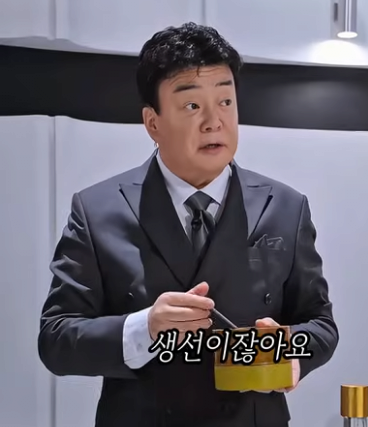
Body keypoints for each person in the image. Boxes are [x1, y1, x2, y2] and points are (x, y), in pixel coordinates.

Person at [38, 22, 338, 427]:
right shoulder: (96, 210)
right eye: (192, 105)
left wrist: (289, 351)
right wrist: (145, 328)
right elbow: (56, 341)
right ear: (153, 122)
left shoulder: (286, 207)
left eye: (226, 101)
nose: (214, 121)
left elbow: (320, 323)